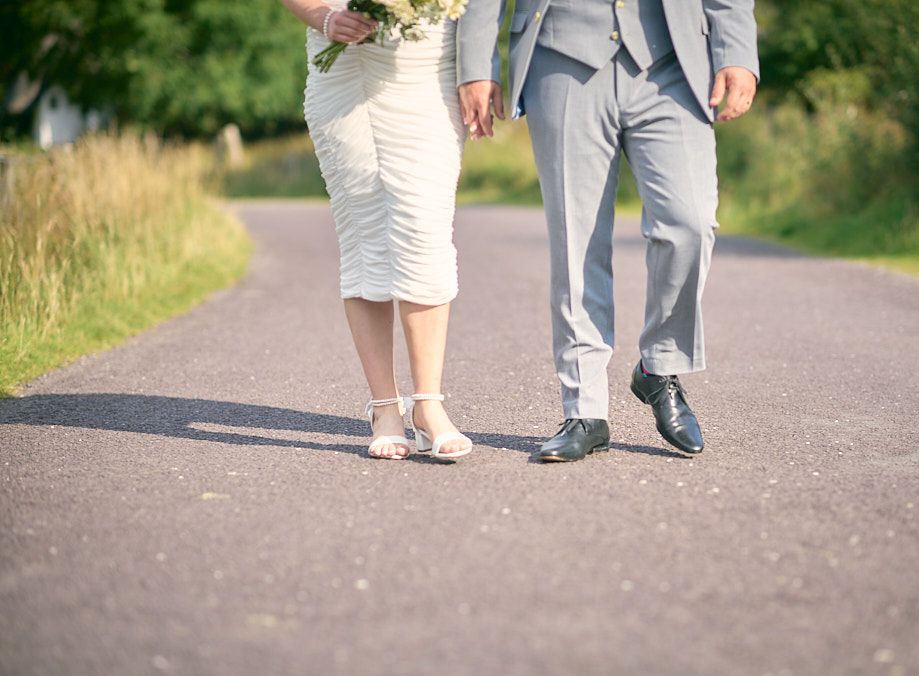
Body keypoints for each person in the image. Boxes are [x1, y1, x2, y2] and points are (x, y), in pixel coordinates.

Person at [458, 1, 760, 461]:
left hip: (673, 61)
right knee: (575, 239)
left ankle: (659, 366)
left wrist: (736, 50)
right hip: (561, 55)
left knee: (690, 222)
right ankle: (585, 410)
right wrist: (478, 62)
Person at [280, 0, 499, 459]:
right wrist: (324, 16)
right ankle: (385, 407)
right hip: (346, 67)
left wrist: (480, 67)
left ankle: (428, 404)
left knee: (425, 229)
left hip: (429, 68)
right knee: (365, 236)